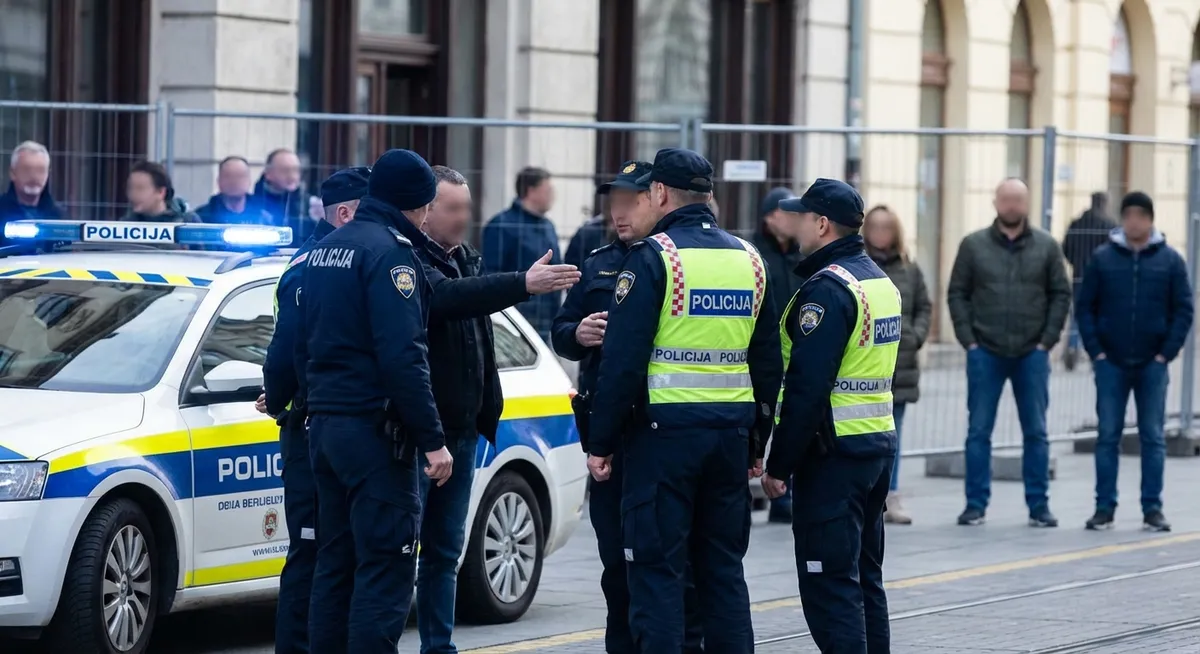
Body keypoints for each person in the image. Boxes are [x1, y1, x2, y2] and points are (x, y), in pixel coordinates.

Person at [587, 148, 783, 653]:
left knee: (657, 575)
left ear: (659, 194)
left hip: (663, 443)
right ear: (709, 196)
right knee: (722, 573)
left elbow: (623, 362)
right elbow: (766, 362)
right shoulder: (750, 259)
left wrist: (601, 441)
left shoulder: (654, 258)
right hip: (729, 439)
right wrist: (759, 440)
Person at [413, 165, 579, 653]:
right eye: (452, 208)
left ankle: (437, 647)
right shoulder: (408, 263)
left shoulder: (465, 258)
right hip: (419, 434)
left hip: (463, 430)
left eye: (467, 208)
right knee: (398, 552)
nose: (464, 218)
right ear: (425, 213)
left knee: (445, 551)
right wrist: (522, 284)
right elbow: (446, 301)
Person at [301, 149, 453, 653]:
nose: (430, 216)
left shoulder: (328, 247)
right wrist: (433, 441)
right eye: (428, 205)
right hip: (373, 435)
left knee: (334, 565)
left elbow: (300, 338)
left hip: (325, 427)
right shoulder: (392, 254)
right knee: (386, 567)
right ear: (416, 204)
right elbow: (404, 357)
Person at [552, 160, 705, 654]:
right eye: (612, 202)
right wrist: (577, 334)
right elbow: (563, 332)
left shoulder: (668, 260)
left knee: (666, 561)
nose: (618, 212)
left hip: (655, 429)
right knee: (616, 563)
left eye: (628, 201)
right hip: (607, 431)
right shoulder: (596, 262)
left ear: (653, 200)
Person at [760, 178, 899, 653]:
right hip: (875, 447)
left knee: (830, 587)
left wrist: (779, 466)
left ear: (821, 224)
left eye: (801, 216)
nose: (794, 224)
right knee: (864, 580)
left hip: (832, 456)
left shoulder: (827, 291)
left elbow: (807, 388)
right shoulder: (879, 282)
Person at [258, 166, 368, 654]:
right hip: (307, 426)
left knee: (333, 548)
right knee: (310, 548)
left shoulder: (341, 257)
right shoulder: (310, 266)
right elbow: (285, 352)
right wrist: (284, 400)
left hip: (322, 420)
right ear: (344, 213)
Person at [946, 178, 1071, 528]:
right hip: (985, 351)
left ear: (1026, 203)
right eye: (1006, 199)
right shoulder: (973, 245)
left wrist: (1047, 341)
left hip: (1032, 352)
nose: (1012, 206)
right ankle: (975, 504)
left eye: (1018, 199)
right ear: (995, 202)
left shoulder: (1047, 246)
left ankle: (1038, 505)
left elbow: (1061, 294)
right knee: (978, 431)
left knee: (1036, 432)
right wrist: (969, 340)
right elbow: (957, 293)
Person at [1076, 191, 1193, 532]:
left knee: (1153, 436)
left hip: (1152, 364)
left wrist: (1164, 354)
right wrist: (1096, 351)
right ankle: (1104, 507)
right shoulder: (1103, 258)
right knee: (1107, 435)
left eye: (1141, 215)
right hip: (1110, 362)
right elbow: (1085, 307)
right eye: (1129, 215)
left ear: (1151, 219)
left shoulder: (1170, 260)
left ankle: (1152, 507)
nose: (1134, 222)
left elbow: (1183, 309)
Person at [863, 204, 932, 525]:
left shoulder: (909, 267)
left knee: (895, 436)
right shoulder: (858, 264)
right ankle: (867, 495)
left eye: (885, 227)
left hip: (900, 365)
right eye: (873, 226)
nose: (879, 233)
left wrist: (915, 336)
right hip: (866, 365)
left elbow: (923, 306)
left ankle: (891, 495)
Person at [753, 186, 803, 523]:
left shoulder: (800, 255)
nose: (797, 220)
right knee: (765, 419)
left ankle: (786, 495)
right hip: (766, 355)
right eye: (790, 214)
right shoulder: (756, 256)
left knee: (794, 421)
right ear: (771, 218)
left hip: (798, 351)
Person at [481, 166, 562, 341]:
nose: (553, 196)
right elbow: (491, 274)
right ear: (531, 191)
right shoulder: (502, 225)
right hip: (514, 323)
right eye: (548, 190)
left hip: (546, 319)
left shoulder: (548, 226)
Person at [1061, 192, 1116, 370]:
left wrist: (1076, 262)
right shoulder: (1109, 226)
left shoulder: (1076, 224)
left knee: (1078, 315)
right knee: (1100, 316)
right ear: (1105, 204)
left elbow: (1066, 248)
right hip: (1103, 278)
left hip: (1079, 275)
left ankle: (1072, 346)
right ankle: (1097, 352)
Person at [0, 141, 65, 253]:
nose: (34, 176)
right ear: (12, 173)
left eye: (40, 170)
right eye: (27, 169)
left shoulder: (58, 217)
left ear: (48, 174)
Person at [253, 148, 319, 246]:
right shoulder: (252, 203)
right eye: (285, 170)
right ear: (268, 174)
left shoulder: (312, 205)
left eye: (296, 170)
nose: (292, 176)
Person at [197, 155, 272, 224]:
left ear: (249, 181)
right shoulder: (202, 217)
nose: (234, 181)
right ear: (218, 181)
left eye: (240, 176)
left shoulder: (263, 218)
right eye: (228, 176)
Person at [123, 161, 198, 224]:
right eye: (130, 188)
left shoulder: (187, 223)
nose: (133, 194)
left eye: (140, 189)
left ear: (161, 192)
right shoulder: (126, 225)